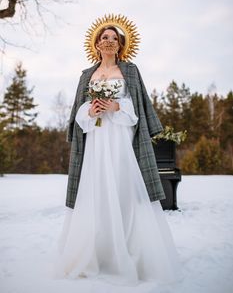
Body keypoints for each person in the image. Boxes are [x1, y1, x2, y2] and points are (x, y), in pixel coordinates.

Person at [49, 15, 182, 286]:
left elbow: (138, 112)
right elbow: (78, 114)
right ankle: (96, 253)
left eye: (114, 38)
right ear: (96, 44)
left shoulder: (130, 71)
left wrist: (117, 107)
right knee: (96, 189)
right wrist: (91, 109)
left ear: (121, 45)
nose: (108, 40)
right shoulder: (86, 75)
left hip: (121, 141)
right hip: (97, 142)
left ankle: (130, 251)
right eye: (104, 37)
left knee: (124, 188)